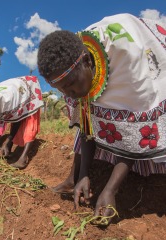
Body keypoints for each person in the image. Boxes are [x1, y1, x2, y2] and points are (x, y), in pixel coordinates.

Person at [37, 13, 166, 222]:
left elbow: (138, 133)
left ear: (87, 61)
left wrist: (110, 190)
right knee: (85, 107)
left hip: (147, 59)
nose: (68, 93)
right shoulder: (70, 71)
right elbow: (87, 123)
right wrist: (83, 175)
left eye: (70, 85)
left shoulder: (131, 66)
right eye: (62, 90)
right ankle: (73, 179)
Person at [0, 75, 43, 169]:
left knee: (29, 126)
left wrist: (8, 142)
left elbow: (18, 121)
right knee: (15, 125)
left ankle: (23, 158)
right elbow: (5, 120)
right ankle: (11, 150)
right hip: (17, 93)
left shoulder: (8, 101)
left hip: (29, 90)